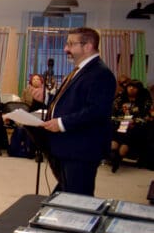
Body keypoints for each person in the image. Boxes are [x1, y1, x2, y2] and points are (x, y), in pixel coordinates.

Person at [40, 27, 116, 195]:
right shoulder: (80, 70)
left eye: (71, 44)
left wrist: (61, 123)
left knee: (78, 199)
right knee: (66, 193)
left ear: (88, 46)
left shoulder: (101, 74)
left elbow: (96, 111)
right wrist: (46, 98)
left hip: (82, 148)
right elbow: (71, 102)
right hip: (68, 146)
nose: (66, 49)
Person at [109, 80, 150, 172]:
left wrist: (134, 121)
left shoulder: (144, 100)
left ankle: (118, 157)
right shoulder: (119, 98)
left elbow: (145, 116)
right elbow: (113, 114)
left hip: (135, 124)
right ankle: (114, 154)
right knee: (115, 131)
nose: (131, 89)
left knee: (130, 133)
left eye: (134, 87)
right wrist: (120, 121)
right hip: (119, 123)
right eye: (129, 87)